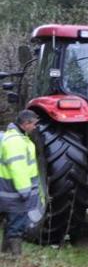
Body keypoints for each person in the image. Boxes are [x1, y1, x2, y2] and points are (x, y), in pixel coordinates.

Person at [0, 109, 42, 257]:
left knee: (11, 223)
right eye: (34, 124)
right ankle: (15, 258)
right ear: (25, 124)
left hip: (9, 192)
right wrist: (25, 191)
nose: (35, 127)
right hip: (15, 194)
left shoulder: (16, 138)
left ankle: (4, 254)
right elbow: (18, 168)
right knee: (17, 225)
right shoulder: (16, 142)